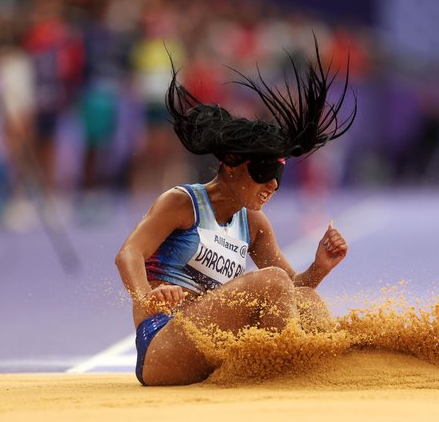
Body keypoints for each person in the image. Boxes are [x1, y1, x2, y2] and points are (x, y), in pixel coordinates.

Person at [115, 40, 356, 386]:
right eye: (263, 174)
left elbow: (291, 290)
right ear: (232, 165)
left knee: (306, 298)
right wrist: (146, 297)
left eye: (277, 179)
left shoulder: (254, 224)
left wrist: (319, 267)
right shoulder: (182, 203)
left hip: (213, 341)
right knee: (272, 280)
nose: (272, 186)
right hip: (164, 343)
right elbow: (128, 254)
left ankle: (330, 369)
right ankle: (291, 375)